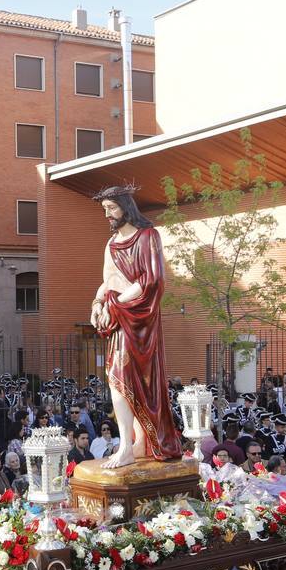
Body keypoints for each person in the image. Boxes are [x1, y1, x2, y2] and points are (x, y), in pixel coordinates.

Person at [88, 185, 183, 467]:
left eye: (111, 209)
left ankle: (129, 447)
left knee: (125, 378)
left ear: (126, 207)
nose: (107, 215)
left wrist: (115, 304)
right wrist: (97, 303)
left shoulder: (148, 237)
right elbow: (107, 281)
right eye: (104, 210)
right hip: (119, 319)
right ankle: (135, 443)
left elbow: (151, 280)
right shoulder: (111, 243)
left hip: (139, 319)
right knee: (120, 380)